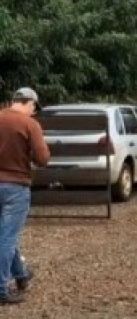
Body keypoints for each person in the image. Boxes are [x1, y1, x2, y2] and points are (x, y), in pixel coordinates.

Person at [0, 88, 50, 304]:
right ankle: (1, 289)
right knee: (7, 238)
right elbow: (42, 158)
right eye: (33, 107)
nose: (33, 111)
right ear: (29, 103)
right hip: (16, 187)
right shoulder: (30, 124)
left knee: (5, 234)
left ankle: (20, 274)